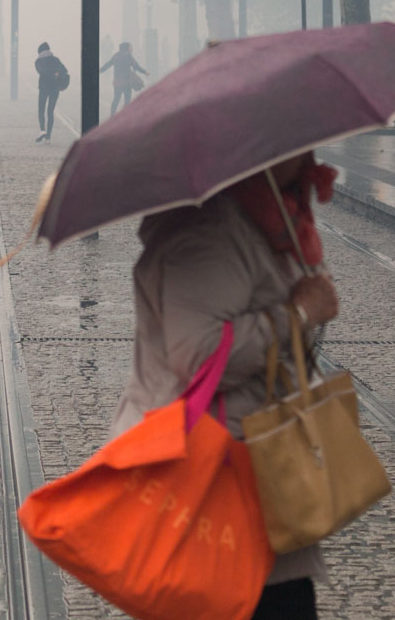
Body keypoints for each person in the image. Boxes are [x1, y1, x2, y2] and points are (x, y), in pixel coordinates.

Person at [110, 152, 339, 620]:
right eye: (294, 142)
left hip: (247, 464)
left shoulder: (259, 219)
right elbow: (200, 354)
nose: (309, 155)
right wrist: (298, 313)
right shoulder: (211, 231)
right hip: (218, 471)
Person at [101, 41, 148, 116]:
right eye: (130, 47)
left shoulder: (116, 55)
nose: (131, 49)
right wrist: (145, 72)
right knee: (127, 100)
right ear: (126, 48)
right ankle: (125, 116)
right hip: (126, 82)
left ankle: (112, 115)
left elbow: (108, 64)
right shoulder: (128, 55)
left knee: (116, 100)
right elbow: (136, 66)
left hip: (117, 82)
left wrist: (100, 70)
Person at [35, 42, 69, 143]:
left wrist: (52, 74)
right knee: (50, 111)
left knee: (41, 109)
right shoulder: (56, 60)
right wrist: (56, 74)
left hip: (44, 88)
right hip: (55, 88)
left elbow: (43, 72)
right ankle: (48, 136)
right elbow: (64, 70)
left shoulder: (38, 61)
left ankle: (42, 130)